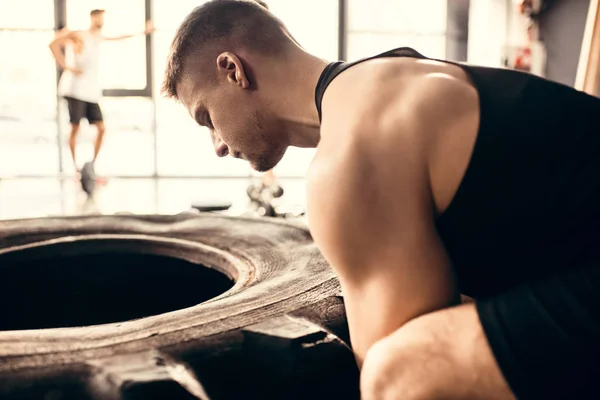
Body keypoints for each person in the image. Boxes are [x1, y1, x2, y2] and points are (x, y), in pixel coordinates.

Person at [161, 1, 600, 399]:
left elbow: (386, 381)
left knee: (397, 374)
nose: (217, 145)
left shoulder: (351, 152)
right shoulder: (388, 75)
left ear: (233, 69)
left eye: (206, 119)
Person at [49, 9, 154, 173]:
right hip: (75, 91)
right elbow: (53, 44)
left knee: (101, 128)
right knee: (75, 128)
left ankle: (91, 166)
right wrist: (67, 67)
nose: (102, 21)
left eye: (103, 18)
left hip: (90, 92)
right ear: (92, 18)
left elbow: (120, 37)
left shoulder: (97, 38)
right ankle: (75, 167)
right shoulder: (79, 35)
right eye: (99, 18)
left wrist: (143, 32)